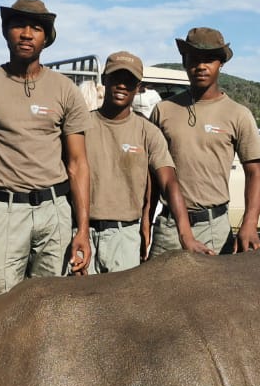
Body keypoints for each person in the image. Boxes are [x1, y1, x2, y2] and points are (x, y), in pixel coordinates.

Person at [0, 0, 91, 298]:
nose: (27, 34)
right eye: (19, 25)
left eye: (36, 28)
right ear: (6, 31)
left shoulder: (64, 89)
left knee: (52, 302)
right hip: (5, 208)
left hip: (54, 209)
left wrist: (82, 229)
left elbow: (78, 164)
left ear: (46, 38)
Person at [87, 51, 210, 271]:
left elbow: (169, 182)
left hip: (124, 236)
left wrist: (186, 235)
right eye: (116, 78)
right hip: (81, 231)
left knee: (122, 302)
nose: (122, 85)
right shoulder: (81, 126)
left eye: (130, 81)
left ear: (139, 87)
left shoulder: (148, 133)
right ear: (105, 80)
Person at [149, 27, 260, 255]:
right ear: (184, 61)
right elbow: (152, 176)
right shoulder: (163, 111)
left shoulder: (237, 114)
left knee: (213, 292)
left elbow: (254, 173)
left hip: (213, 227)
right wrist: (146, 222)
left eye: (209, 59)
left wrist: (250, 222)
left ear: (221, 63)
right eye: (194, 59)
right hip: (169, 227)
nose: (201, 66)